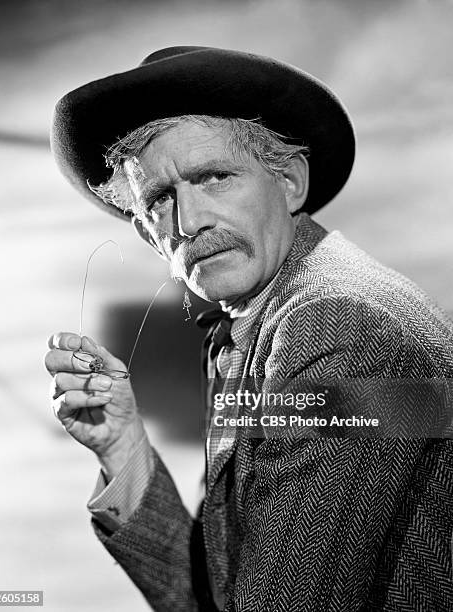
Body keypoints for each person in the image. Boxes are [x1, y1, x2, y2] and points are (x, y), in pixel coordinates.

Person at [45, 47, 453, 611]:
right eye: (161, 201)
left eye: (214, 177)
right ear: (147, 234)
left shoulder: (340, 327)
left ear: (289, 183)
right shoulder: (258, 319)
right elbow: (223, 593)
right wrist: (123, 446)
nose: (190, 223)